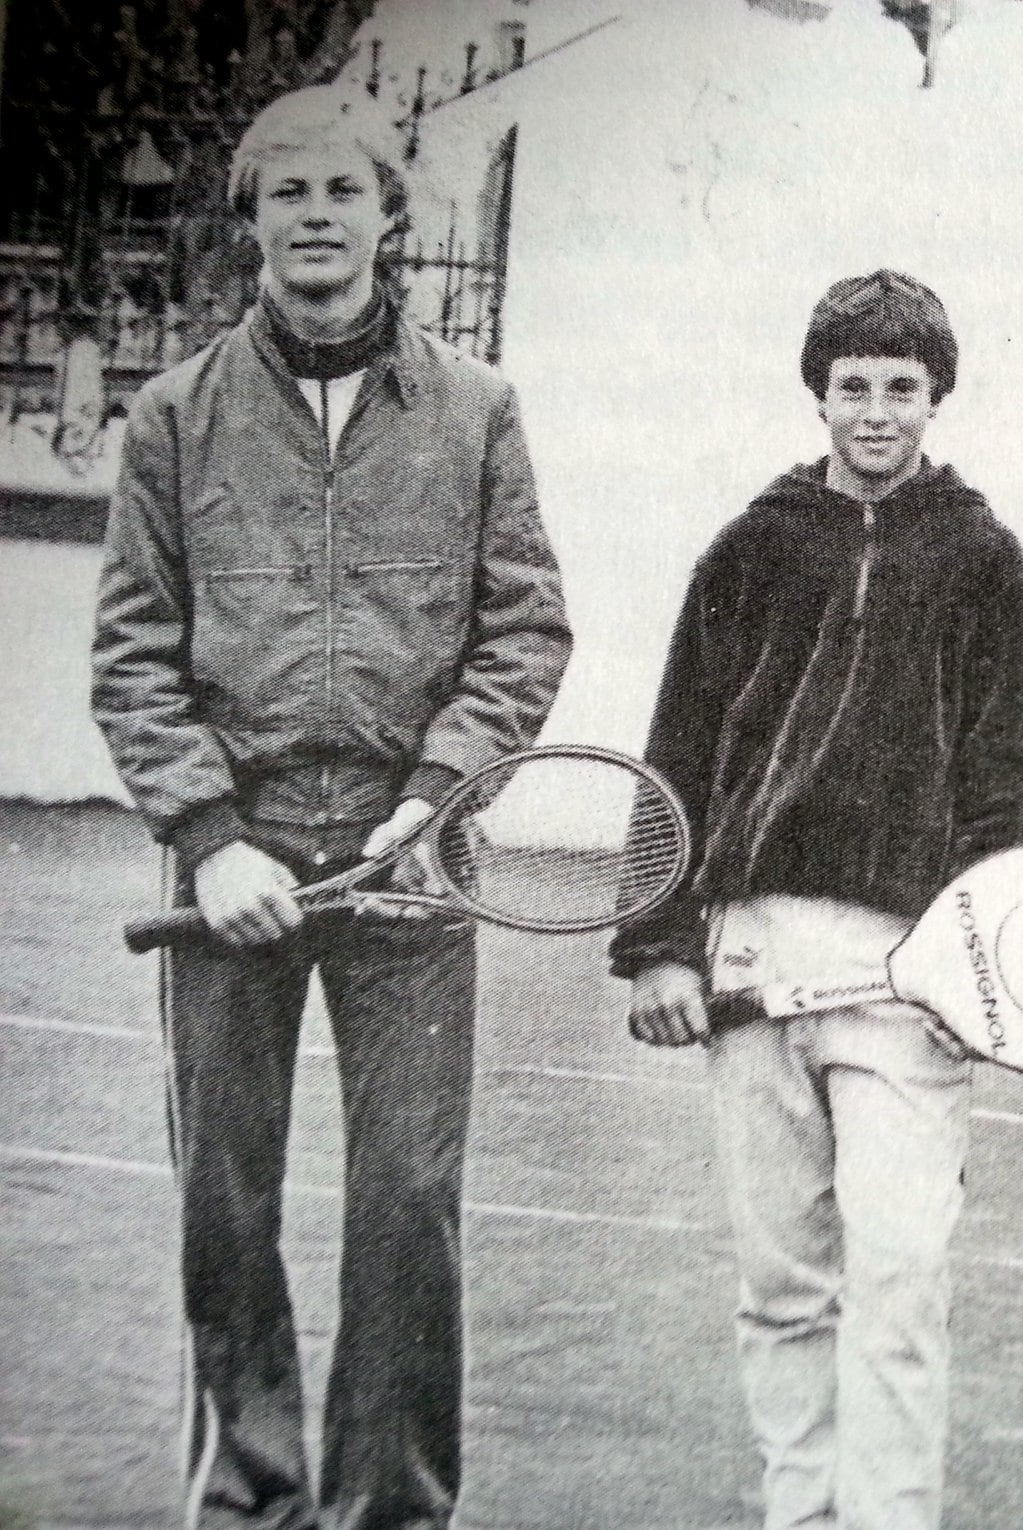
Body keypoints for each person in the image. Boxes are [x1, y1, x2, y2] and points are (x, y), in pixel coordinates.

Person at [90, 85, 571, 1530]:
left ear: (387, 215)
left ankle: (394, 1506)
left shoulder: (480, 409)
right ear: (249, 222)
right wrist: (209, 831)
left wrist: (432, 798)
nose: (315, 217)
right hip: (230, 868)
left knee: (407, 1208)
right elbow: (132, 649)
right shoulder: (175, 415)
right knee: (222, 1203)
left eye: (342, 190)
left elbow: (523, 631)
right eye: (287, 192)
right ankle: (250, 1493)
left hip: (412, 869)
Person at [611, 270, 1023, 1530]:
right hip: (752, 948)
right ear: (818, 394)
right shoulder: (751, 546)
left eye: (900, 389)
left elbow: (1007, 779)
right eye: (852, 387)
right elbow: (677, 753)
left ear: (936, 398)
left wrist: (978, 963)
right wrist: (659, 946)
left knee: (901, 1276)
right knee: (784, 1282)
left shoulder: (984, 559)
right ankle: (799, 1514)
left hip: (909, 965)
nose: (874, 412)